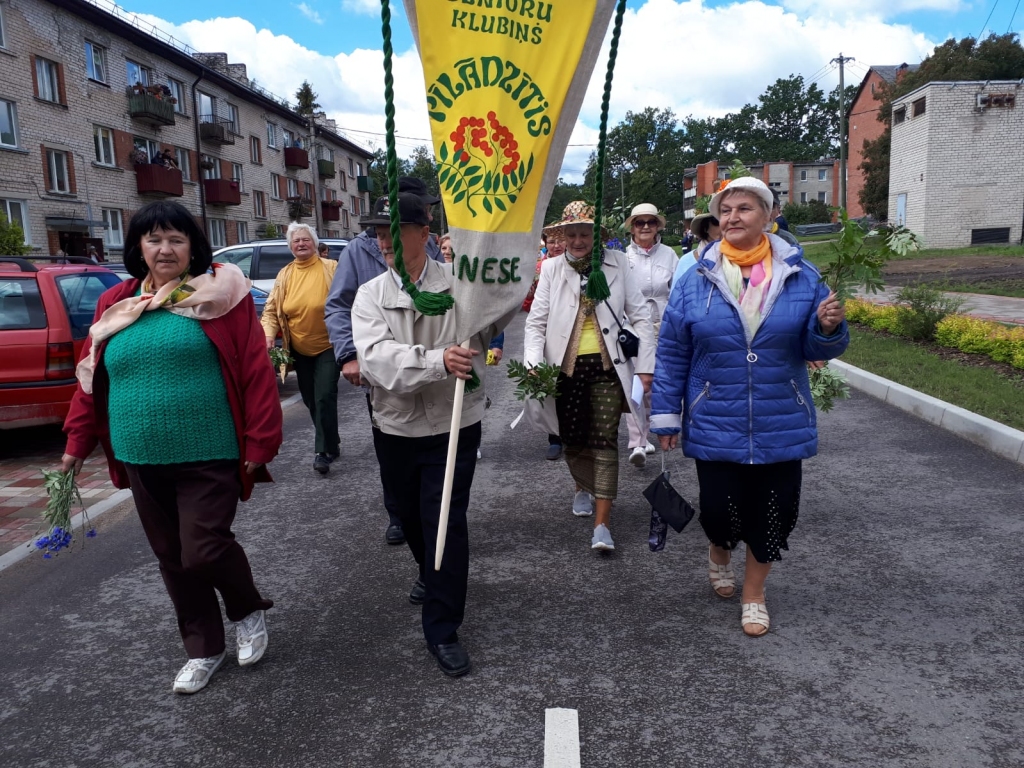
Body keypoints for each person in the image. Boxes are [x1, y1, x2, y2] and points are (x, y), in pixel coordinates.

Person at [62, 200, 282, 694]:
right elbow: (91, 377)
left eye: (176, 239)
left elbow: (254, 368)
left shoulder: (220, 295)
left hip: (209, 450)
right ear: (138, 247)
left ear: (192, 247)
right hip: (139, 454)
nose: (165, 249)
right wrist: (77, 442)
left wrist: (261, 439)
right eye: (155, 239)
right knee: (172, 556)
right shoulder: (117, 301)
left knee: (203, 549)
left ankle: (247, 610)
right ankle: (204, 649)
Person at [651, 176, 848, 637]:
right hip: (716, 415)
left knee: (776, 515)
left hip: (781, 417)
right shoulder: (696, 278)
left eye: (744, 208)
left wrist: (826, 329)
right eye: (725, 210)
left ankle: (754, 594)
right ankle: (719, 548)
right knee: (720, 512)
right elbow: (674, 350)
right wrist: (666, 414)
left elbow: (816, 347)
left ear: (769, 216)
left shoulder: (801, 275)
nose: (732, 217)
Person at [352, 192, 511, 677]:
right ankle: (430, 571)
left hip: (453, 422)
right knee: (411, 519)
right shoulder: (370, 294)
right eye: (377, 232)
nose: (383, 240)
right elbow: (375, 360)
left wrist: (499, 277)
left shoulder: (463, 285)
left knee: (445, 519)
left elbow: (498, 313)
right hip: (395, 425)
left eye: (394, 230)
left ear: (424, 233)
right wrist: (437, 360)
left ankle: (442, 628)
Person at [523, 202, 655, 552]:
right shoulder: (552, 268)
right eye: (572, 234)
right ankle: (582, 485)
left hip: (608, 367)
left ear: (597, 236)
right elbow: (536, 322)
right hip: (563, 369)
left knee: (604, 439)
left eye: (585, 233)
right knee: (572, 439)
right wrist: (533, 362)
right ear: (563, 236)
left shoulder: (618, 263)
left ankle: (602, 525)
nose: (579, 240)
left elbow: (640, 316)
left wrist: (645, 366)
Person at [324, 182, 446, 545]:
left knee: (434, 446)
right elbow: (338, 305)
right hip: (378, 360)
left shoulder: (430, 246)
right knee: (392, 443)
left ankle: (437, 516)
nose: (428, 213)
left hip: (432, 363)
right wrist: (348, 354)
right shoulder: (357, 251)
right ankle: (399, 513)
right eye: (424, 206)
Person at [261, 222, 340, 475]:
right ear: (290, 247)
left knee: (324, 395)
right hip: (298, 347)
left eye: (306, 239)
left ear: (314, 243)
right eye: (296, 241)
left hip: (329, 344)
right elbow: (271, 310)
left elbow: (347, 300)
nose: (301, 244)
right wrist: (268, 334)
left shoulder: (332, 268)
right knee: (311, 399)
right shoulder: (284, 274)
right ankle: (331, 441)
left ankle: (322, 452)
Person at [622, 203, 676, 468]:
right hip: (633, 328)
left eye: (650, 222)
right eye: (639, 222)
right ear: (631, 227)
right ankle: (638, 442)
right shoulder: (622, 258)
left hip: (664, 325)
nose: (645, 227)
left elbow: (677, 291)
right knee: (635, 384)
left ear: (658, 226)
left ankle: (662, 430)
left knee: (659, 383)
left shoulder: (669, 255)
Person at [522, 230, 565, 460]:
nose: (556, 245)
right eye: (552, 241)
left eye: (560, 240)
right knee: (550, 386)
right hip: (546, 332)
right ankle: (554, 438)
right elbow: (527, 304)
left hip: (571, 332)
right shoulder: (539, 267)